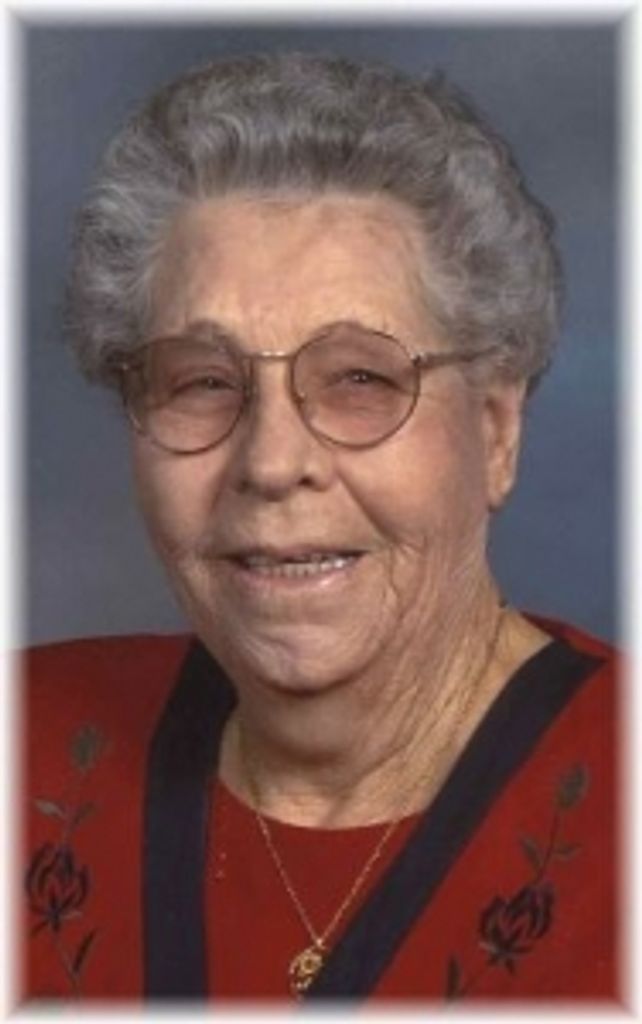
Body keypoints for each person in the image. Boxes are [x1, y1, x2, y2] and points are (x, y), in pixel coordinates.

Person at [23, 52, 617, 1004]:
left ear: (495, 432)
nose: (270, 462)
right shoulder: (30, 745)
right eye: (202, 382)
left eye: (359, 379)